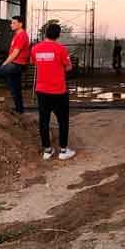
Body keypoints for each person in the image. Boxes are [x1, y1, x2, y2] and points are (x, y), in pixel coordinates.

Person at [32, 22, 75, 161]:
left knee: (43, 121)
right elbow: (68, 67)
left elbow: (34, 63)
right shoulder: (60, 49)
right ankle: (63, 150)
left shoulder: (35, 49)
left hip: (41, 90)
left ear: (45, 33)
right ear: (58, 35)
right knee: (62, 120)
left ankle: (47, 150)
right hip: (58, 91)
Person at [0, 15, 31, 113]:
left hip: (15, 64)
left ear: (20, 24)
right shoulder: (17, 35)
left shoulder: (22, 35)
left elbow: (15, 53)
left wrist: (4, 64)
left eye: (14, 23)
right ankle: (20, 110)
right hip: (16, 65)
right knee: (15, 89)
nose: (11, 25)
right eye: (11, 23)